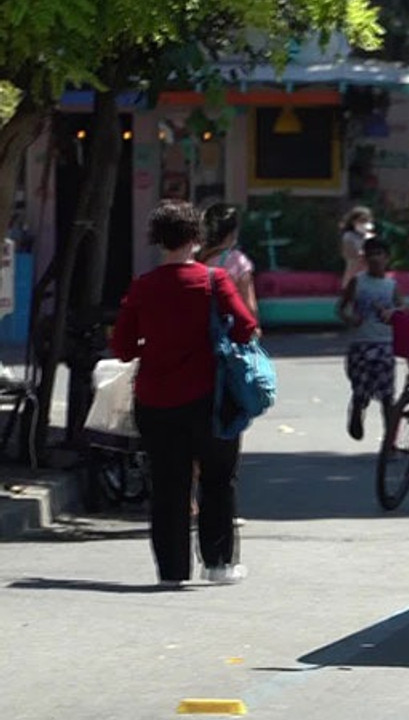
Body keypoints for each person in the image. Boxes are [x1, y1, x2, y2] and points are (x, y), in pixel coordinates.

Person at [111, 200, 258, 587]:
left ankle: (172, 572)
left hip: (156, 401)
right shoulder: (214, 281)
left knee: (168, 486)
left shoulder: (143, 286)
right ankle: (218, 563)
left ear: (158, 240)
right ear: (196, 237)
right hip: (210, 401)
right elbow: (246, 327)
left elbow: (123, 347)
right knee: (217, 479)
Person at [193, 203, 257, 527]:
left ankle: (191, 500)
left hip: (193, 353)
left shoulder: (196, 260)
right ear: (232, 233)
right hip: (227, 357)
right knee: (227, 431)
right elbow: (249, 312)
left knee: (194, 430)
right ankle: (222, 509)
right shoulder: (237, 263)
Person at [337, 237, 405, 441]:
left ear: (387, 258)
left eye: (380, 254)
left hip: (384, 345)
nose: (376, 259)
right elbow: (342, 308)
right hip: (361, 344)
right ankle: (357, 409)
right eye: (371, 254)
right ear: (365, 258)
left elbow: (402, 313)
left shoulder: (391, 286)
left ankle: (390, 440)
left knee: (387, 396)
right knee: (361, 389)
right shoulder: (358, 282)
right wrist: (350, 318)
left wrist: (392, 315)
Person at [339, 206, 376, 289]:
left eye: (367, 220)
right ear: (353, 222)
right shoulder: (349, 236)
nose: (365, 223)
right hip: (354, 275)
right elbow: (359, 253)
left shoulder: (368, 236)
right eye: (362, 220)